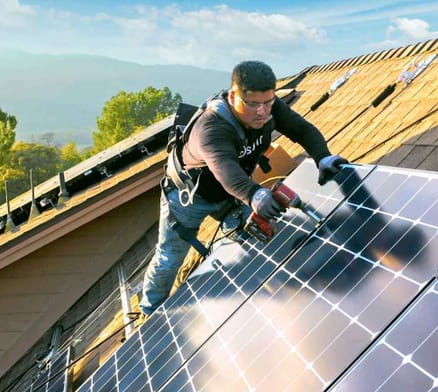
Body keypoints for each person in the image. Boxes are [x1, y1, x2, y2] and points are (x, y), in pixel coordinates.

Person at [138, 60, 348, 317]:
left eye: (268, 102)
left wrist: (323, 157)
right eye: (253, 104)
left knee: (251, 239)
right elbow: (226, 170)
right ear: (234, 96)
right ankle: (149, 312)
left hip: (232, 193)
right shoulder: (212, 126)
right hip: (190, 196)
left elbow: (301, 129)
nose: (262, 112)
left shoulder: (270, 108)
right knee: (170, 256)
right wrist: (254, 194)